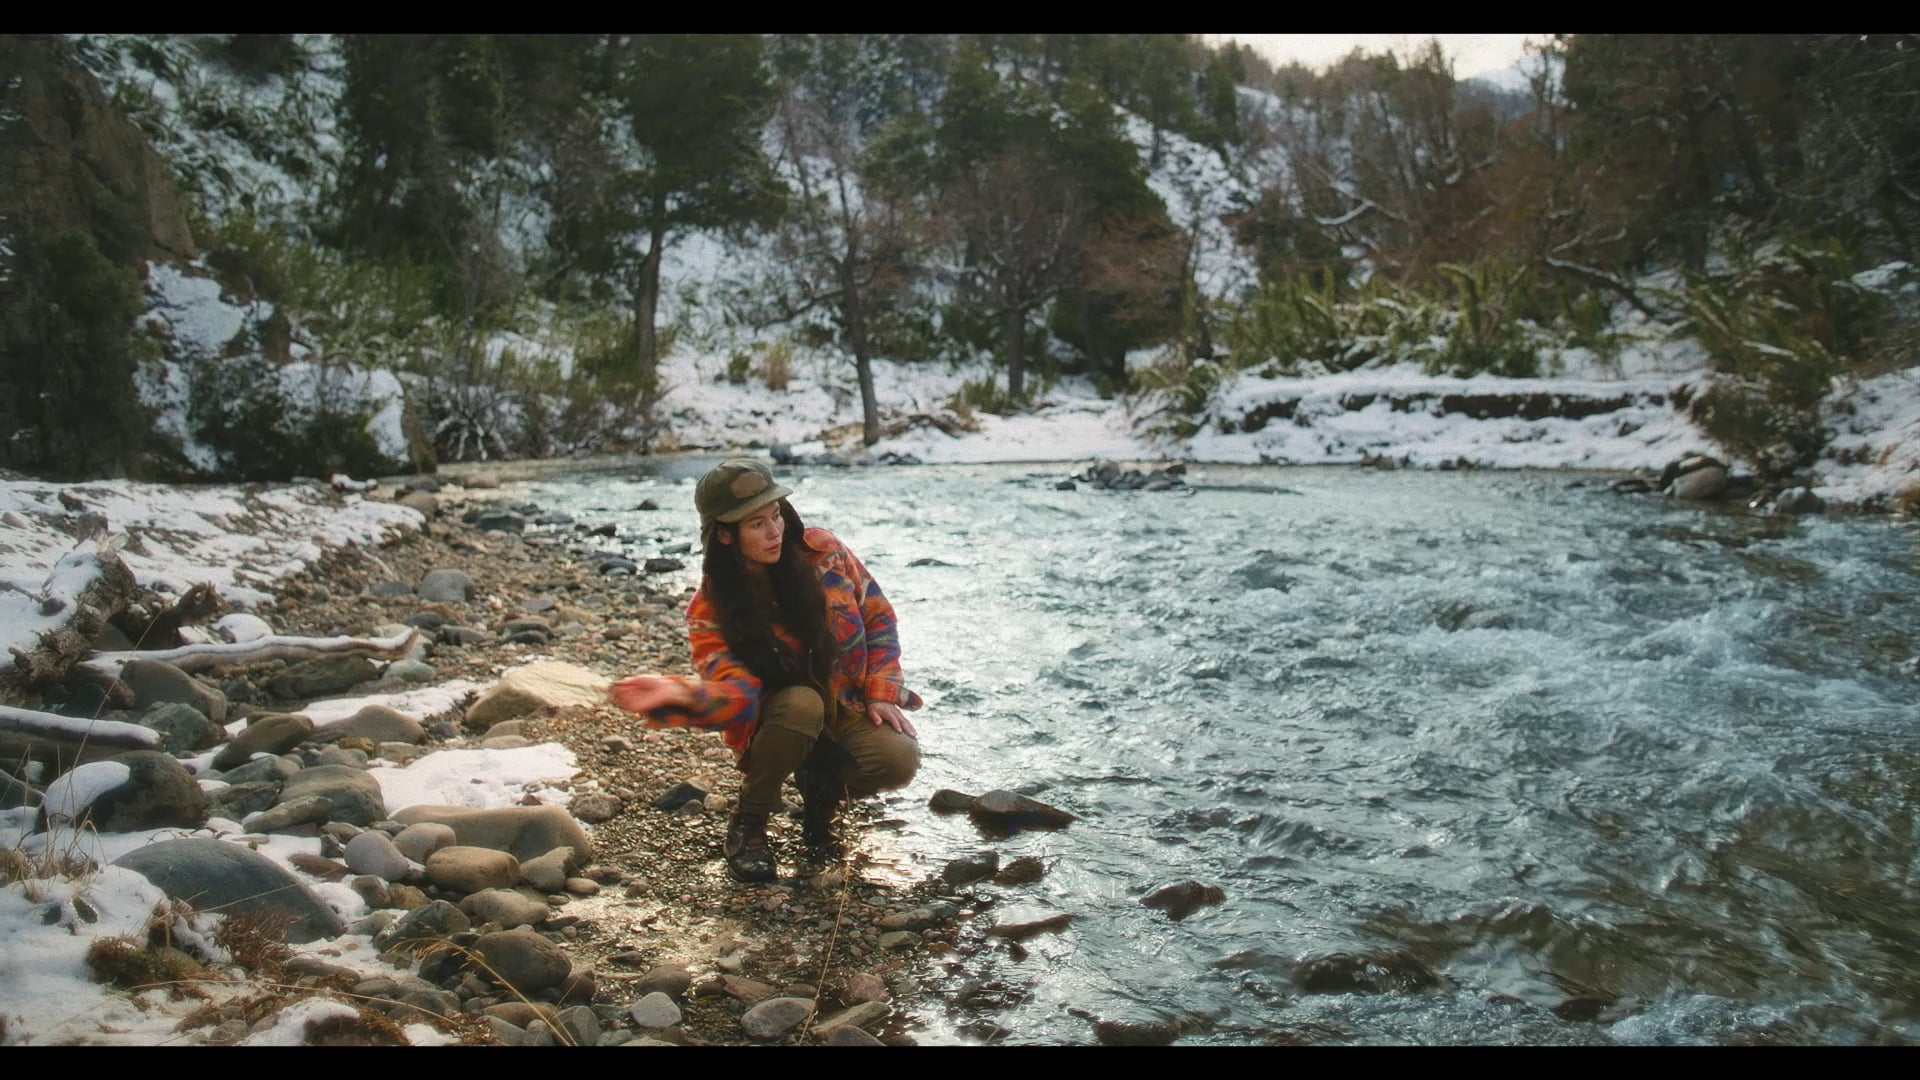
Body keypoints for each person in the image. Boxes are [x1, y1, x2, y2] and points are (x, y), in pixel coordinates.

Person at [609, 458, 923, 882]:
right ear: (724, 534)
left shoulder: (824, 552)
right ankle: (750, 822)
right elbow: (738, 694)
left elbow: (878, 617)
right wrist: (684, 696)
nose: (774, 531)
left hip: (845, 703)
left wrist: (881, 691)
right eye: (756, 524)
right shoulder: (709, 611)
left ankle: (821, 792)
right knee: (800, 705)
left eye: (776, 515)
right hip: (778, 721)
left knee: (897, 757)